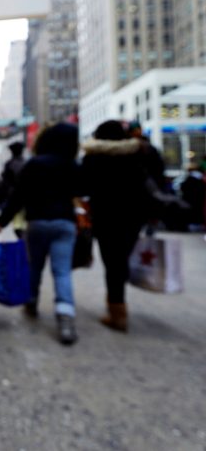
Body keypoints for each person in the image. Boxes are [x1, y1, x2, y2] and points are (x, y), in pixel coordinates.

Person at [0, 123, 81, 345]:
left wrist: (2, 221)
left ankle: (31, 301)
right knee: (62, 272)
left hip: (37, 223)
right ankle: (65, 319)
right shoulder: (71, 165)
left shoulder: (34, 164)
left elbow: (18, 195)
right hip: (65, 223)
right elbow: (84, 190)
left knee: (34, 266)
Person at [81, 119, 151, 332]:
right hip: (133, 216)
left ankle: (117, 312)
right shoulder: (138, 154)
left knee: (112, 262)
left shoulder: (92, 158)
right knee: (120, 260)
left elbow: (83, 185)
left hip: (105, 217)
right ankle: (117, 305)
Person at [1, 141, 27, 238]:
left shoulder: (9, 165)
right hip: (27, 200)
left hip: (14, 199)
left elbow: (5, 185)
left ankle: (23, 244)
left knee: (18, 226)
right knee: (23, 225)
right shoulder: (27, 163)